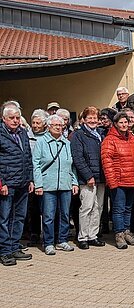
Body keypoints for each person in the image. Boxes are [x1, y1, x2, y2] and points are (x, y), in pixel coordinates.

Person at [32, 114, 78, 255]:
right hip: (47, 184)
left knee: (65, 214)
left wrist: (74, 182)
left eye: (60, 125)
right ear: (48, 127)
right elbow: (36, 164)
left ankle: (62, 240)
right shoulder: (41, 142)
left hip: (65, 183)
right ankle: (48, 242)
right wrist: (38, 184)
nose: (58, 127)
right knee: (48, 216)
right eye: (55, 125)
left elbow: (72, 165)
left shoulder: (67, 143)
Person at [0, 105, 35, 266]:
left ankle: (14, 247)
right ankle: (4, 251)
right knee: (4, 218)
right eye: (11, 118)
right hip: (7, 183)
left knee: (19, 217)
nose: (15, 120)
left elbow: (28, 157)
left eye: (17, 117)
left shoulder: (22, 133)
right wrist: (2, 182)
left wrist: (30, 179)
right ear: (3, 118)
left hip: (22, 182)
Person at [101, 112, 134, 249]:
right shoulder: (109, 140)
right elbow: (107, 162)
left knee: (128, 209)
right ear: (115, 124)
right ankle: (119, 235)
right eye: (121, 122)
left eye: (126, 122)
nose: (124, 125)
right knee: (118, 209)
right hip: (118, 180)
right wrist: (112, 181)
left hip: (132, 179)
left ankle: (126, 231)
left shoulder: (132, 138)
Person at [71, 107, 106, 250]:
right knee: (86, 207)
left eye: (95, 118)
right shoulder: (79, 135)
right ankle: (83, 237)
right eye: (89, 118)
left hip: (101, 178)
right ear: (84, 120)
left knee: (98, 207)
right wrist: (88, 176)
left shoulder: (100, 134)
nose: (93, 120)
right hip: (88, 179)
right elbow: (78, 158)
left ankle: (93, 235)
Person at [26, 109, 49, 247]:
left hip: (46, 177)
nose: (35, 125)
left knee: (47, 209)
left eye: (38, 123)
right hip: (32, 178)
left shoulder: (48, 137)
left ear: (44, 124)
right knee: (33, 208)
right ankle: (34, 234)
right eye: (33, 122)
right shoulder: (26, 136)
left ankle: (48, 236)